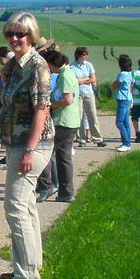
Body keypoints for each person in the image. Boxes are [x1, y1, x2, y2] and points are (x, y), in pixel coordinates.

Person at [0, 13, 54, 279]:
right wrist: (5, 73)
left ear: (31, 36)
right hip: (16, 143)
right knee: (27, 206)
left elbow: (42, 109)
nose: (15, 39)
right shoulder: (16, 66)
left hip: (32, 145)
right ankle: (29, 266)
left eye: (21, 34)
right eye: (11, 34)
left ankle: (27, 277)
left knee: (15, 207)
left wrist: (30, 149)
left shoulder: (37, 66)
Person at [38, 49, 79, 202]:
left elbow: (67, 99)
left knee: (56, 155)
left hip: (63, 121)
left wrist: (51, 106)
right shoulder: (67, 73)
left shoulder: (65, 76)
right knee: (62, 156)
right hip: (68, 120)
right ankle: (63, 190)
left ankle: (57, 188)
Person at [71, 47, 105, 147]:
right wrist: (87, 79)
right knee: (80, 116)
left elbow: (93, 79)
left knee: (92, 115)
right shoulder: (72, 66)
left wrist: (82, 80)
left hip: (88, 92)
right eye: (84, 55)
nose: (86, 56)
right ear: (78, 55)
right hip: (78, 94)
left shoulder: (89, 65)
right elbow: (74, 81)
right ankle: (81, 139)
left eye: (86, 54)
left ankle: (98, 138)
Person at [111, 54, 134, 152]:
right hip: (128, 98)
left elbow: (115, 85)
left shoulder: (122, 74)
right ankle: (126, 143)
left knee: (119, 122)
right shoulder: (130, 73)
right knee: (125, 122)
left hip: (122, 99)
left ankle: (126, 142)